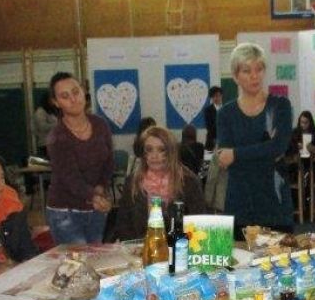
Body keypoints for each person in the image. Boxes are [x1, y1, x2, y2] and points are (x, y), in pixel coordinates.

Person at [215, 43, 294, 234]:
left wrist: (236, 154)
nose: (254, 76)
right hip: (239, 204)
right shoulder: (225, 113)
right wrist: (263, 149)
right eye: (246, 70)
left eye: (259, 69)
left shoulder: (280, 106)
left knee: (279, 252)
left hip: (275, 202)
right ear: (235, 76)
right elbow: (224, 158)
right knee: (238, 253)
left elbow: (278, 148)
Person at [45, 73, 115, 244]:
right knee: (78, 260)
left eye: (76, 92)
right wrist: (94, 197)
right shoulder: (57, 137)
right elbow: (70, 178)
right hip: (65, 212)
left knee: (96, 257)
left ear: (84, 91)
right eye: (65, 96)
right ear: (56, 102)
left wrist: (101, 188)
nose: (73, 99)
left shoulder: (100, 124)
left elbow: (109, 161)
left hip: (96, 207)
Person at [115, 126, 208, 240]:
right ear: (144, 154)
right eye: (149, 150)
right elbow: (123, 224)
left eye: (161, 150)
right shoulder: (133, 181)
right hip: (140, 247)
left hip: (178, 247)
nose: (154, 156)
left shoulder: (188, 181)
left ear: (171, 152)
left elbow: (199, 226)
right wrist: (139, 246)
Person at [33, 83, 60, 158]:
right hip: (45, 143)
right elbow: (42, 127)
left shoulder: (52, 111)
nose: (53, 101)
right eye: (51, 99)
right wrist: (58, 125)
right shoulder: (40, 112)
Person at [204, 85, 223, 151]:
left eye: (218, 95)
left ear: (221, 96)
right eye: (214, 96)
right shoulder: (208, 110)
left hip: (225, 141)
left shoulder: (226, 108)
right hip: (212, 141)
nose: (216, 98)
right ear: (211, 98)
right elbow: (209, 127)